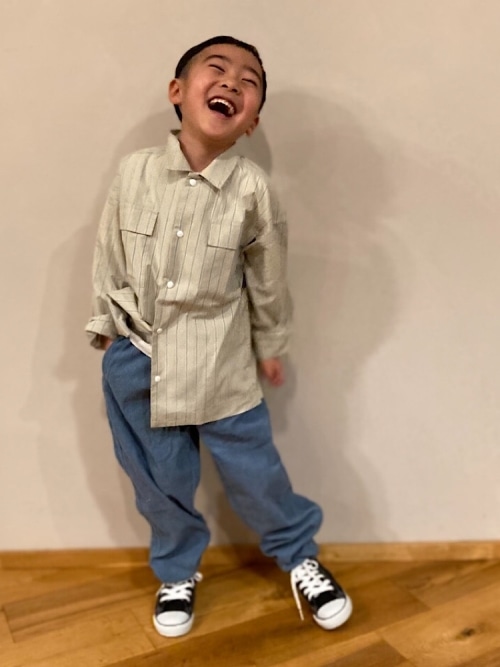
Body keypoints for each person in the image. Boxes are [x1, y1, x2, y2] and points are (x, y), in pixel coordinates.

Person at [86, 35, 352, 638]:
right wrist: (105, 327)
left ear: (251, 121)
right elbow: (108, 252)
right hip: (138, 359)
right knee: (160, 481)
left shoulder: (253, 190)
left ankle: (299, 556)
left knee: (255, 474)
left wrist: (270, 344)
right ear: (178, 92)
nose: (232, 81)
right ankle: (177, 570)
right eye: (217, 68)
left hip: (222, 361)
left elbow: (268, 278)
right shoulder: (134, 172)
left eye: (249, 80)